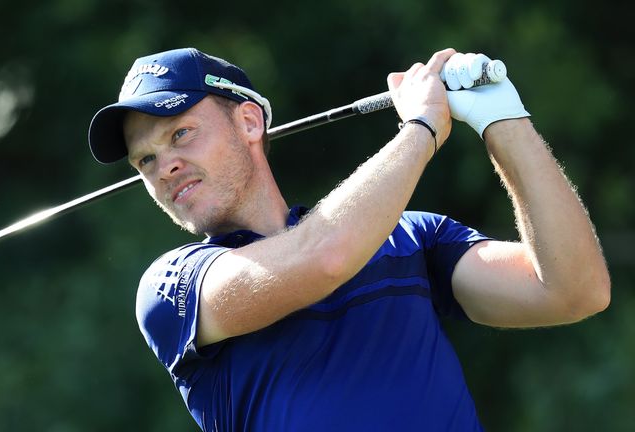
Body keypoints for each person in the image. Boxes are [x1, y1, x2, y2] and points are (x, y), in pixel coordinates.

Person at [87, 47, 610, 431]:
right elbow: (324, 256)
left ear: (248, 121)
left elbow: (573, 290)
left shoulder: (410, 239)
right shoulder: (174, 288)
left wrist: (503, 120)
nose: (166, 167)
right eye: (146, 161)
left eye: (180, 134)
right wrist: (421, 130)